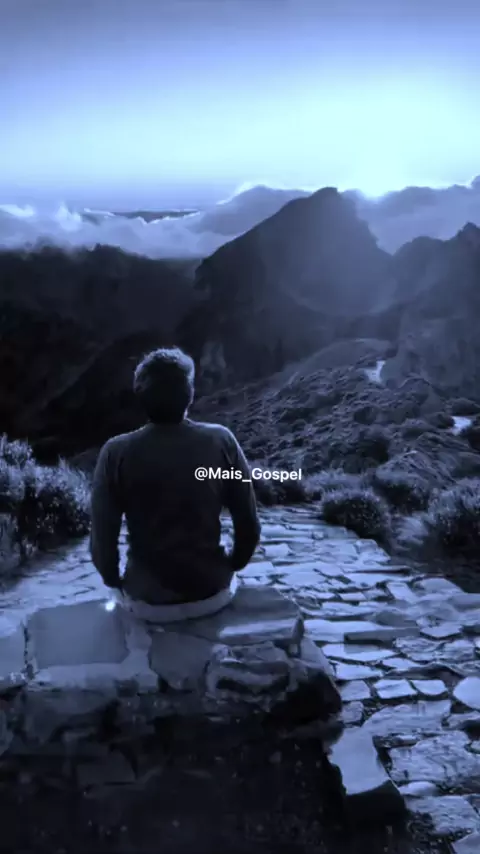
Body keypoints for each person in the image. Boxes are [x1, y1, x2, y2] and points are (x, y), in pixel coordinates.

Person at [89, 346, 261, 620]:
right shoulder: (221, 441)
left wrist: (114, 580)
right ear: (189, 394)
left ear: (141, 395)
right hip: (212, 595)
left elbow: (102, 540)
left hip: (147, 602)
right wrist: (231, 566)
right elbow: (249, 524)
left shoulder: (115, 452)